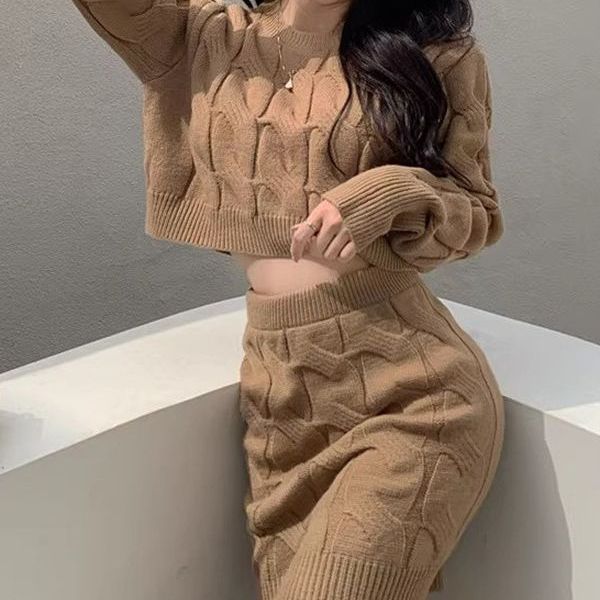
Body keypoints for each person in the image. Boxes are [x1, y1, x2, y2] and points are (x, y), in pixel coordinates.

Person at [70, 0, 506, 597]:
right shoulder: (205, 34)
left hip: (414, 398)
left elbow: (477, 211)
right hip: (279, 403)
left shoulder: (436, 53)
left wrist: (384, 194)